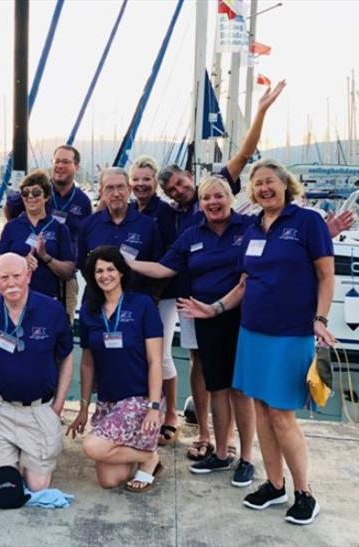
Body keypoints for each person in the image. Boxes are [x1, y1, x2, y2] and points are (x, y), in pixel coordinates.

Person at [178, 159, 336, 525]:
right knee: (262, 411)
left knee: (282, 414)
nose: (264, 188)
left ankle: (304, 492)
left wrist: (321, 319)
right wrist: (214, 309)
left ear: (285, 184)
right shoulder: (252, 228)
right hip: (252, 331)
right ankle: (275, 484)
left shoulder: (307, 221)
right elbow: (245, 284)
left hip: (291, 333)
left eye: (270, 182)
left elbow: (326, 277)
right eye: (258, 184)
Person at [157, 81, 286, 460]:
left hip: (234, 303)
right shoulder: (178, 217)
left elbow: (246, 154)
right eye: (175, 188)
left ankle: (231, 444)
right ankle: (206, 434)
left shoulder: (216, 190)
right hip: (193, 302)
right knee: (201, 365)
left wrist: (260, 111)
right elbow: (164, 260)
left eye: (183, 182)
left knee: (231, 378)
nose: (182, 189)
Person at [129, 176, 257, 487]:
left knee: (240, 389)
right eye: (207, 198)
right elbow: (163, 269)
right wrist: (125, 263)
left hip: (243, 317)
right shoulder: (191, 234)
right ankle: (223, 453)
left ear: (229, 197)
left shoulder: (249, 227)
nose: (213, 202)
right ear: (200, 204)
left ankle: (247, 459)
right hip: (205, 317)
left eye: (218, 196)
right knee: (217, 388)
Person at [0, 253, 74, 492]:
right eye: (4, 277)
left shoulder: (52, 310)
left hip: (39, 411)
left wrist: (57, 407)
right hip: (1, 410)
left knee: (36, 486)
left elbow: (66, 356)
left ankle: (32, 455)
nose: (11, 282)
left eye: (17, 275)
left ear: (28, 275)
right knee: (6, 483)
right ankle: (11, 455)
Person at [67, 246, 164, 492]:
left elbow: (155, 361)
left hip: (140, 398)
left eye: (111, 268)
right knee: (109, 480)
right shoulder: (89, 311)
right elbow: (87, 364)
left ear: (121, 271)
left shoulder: (143, 305)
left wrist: (153, 407)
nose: (105, 275)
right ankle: (145, 454)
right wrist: (83, 408)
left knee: (93, 447)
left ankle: (148, 457)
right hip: (109, 401)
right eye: (99, 271)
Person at [5, 145, 92, 319]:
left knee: (61, 326)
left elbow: (85, 236)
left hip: (64, 276)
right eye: (57, 161)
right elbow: (9, 209)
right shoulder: (36, 189)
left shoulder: (83, 202)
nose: (60, 166)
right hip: (25, 275)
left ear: (76, 166)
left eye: (66, 162)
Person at [128, 156, 179, 442]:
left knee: (162, 356)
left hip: (162, 296)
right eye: (136, 179)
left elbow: (169, 259)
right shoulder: (131, 209)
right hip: (134, 295)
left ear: (155, 181)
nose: (140, 184)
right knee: (139, 355)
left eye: (146, 179)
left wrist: (155, 298)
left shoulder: (166, 213)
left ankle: (170, 413)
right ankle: (144, 409)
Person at [77, 167, 163, 297]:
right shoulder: (88, 225)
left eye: (120, 187)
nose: (116, 193)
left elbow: (158, 267)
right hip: (97, 302)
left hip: (136, 301)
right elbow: (83, 266)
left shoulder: (148, 226)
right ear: (101, 192)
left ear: (129, 190)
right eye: (109, 188)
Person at [0, 169, 74, 300]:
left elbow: (68, 271)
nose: (30, 196)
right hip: (15, 298)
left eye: (36, 192)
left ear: (47, 197)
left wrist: (46, 257)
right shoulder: (11, 226)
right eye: (26, 193)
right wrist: (19, 263)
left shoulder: (59, 228)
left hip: (48, 300)